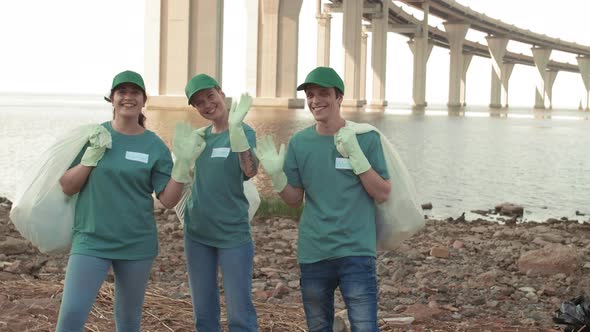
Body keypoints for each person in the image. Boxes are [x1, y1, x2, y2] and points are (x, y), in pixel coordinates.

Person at [55, 70, 201, 331]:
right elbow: (67, 186)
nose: (128, 97)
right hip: (91, 239)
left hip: (136, 243)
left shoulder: (154, 145)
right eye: (122, 92)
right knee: (71, 315)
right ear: (112, 99)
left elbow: (167, 200)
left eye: (135, 93)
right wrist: (91, 159)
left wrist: (182, 167)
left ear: (143, 100)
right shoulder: (93, 135)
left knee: (128, 320)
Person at [255, 67, 391, 332]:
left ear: (339, 97)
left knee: (365, 327)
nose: (316, 100)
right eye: (310, 95)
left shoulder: (366, 138)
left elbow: (383, 193)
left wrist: (357, 156)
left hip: (357, 251)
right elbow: (294, 200)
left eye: (323, 94)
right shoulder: (300, 143)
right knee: (318, 327)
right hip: (314, 251)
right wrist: (276, 176)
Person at [182, 73, 259, 331]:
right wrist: (182, 157)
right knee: (203, 313)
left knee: (239, 313)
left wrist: (236, 132)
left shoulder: (244, 131)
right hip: (197, 232)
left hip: (233, 233)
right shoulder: (199, 137)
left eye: (210, 96)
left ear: (221, 94)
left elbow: (250, 171)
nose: (207, 104)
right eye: (199, 102)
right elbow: (185, 176)